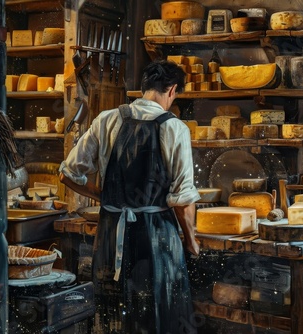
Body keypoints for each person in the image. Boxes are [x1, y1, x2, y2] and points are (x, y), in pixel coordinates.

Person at [59, 59, 200, 334]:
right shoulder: (175, 128)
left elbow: (67, 174)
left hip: (111, 232)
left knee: (113, 312)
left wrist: (105, 197)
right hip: (157, 239)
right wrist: (192, 242)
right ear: (172, 90)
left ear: (144, 88)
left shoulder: (106, 119)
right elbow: (183, 200)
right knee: (158, 311)